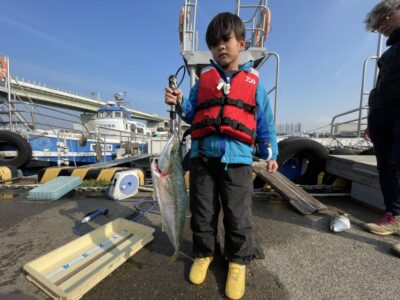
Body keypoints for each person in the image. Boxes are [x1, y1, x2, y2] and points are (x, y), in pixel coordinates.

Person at [164, 12, 278, 299]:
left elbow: (265, 122)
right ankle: (204, 253)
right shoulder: (203, 81)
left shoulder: (254, 82)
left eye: (226, 41)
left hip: (238, 161)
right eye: (214, 43)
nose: (220, 47)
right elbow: (191, 113)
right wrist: (178, 102)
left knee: (238, 216)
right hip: (203, 158)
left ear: (241, 43)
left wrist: (272, 151)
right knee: (202, 213)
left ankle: (238, 261)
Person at [363, 0, 400, 257]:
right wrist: (370, 120)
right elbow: (377, 89)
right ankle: (394, 215)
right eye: (377, 27)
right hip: (382, 114)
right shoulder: (388, 53)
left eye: (382, 21)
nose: (381, 28)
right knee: (386, 166)